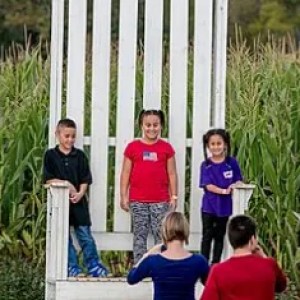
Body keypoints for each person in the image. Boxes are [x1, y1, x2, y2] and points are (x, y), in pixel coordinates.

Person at [43, 118, 108, 277]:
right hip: (60, 204)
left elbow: (85, 179)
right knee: (64, 237)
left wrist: (80, 193)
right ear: (57, 134)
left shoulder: (79, 156)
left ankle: (94, 265)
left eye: (73, 136)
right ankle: (72, 267)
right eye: (67, 136)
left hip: (78, 203)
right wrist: (67, 184)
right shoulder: (50, 155)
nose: (70, 140)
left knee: (85, 235)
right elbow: (48, 179)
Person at [120, 109, 178, 263]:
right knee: (140, 233)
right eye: (148, 125)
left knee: (161, 233)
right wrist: (123, 196)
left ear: (161, 126)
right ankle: (140, 265)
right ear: (141, 126)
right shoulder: (133, 148)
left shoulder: (166, 148)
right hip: (138, 200)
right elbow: (125, 173)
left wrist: (174, 196)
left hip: (160, 200)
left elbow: (172, 173)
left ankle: (162, 264)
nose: (152, 128)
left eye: (155, 125)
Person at [200, 215, 287, 300]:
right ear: (252, 239)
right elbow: (281, 286)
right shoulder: (269, 265)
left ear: (231, 240)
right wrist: (264, 256)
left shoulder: (218, 271)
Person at [127, 212, 210, 300]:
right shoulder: (199, 261)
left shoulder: (153, 261)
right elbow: (212, 285)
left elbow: (131, 278)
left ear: (164, 232)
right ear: (186, 231)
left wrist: (146, 255)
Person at [200, 128, 243, 264]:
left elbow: (238, 180)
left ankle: (215, 263)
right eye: (212, 144)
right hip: (209, 207)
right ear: (208, 146)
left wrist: (234, 185)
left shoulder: (231, 163)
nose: (216, 147)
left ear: (225, 144)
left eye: (219, 143)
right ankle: (203, 263)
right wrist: (224, 191)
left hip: (224, 208)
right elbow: (207, 185)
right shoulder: (206, 165)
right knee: (207, 236)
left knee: (220, 236)